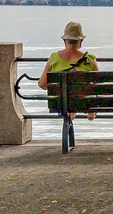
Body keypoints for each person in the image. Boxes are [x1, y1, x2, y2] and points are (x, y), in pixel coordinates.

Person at [41, 21, 98, 153]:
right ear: (81, 41)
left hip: (60, 103)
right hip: (84, 100)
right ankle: (89, 110)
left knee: (67, 96)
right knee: (87, 91)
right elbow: (97, 85)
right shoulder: (90, 58)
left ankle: (71, 109)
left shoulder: (54, 57)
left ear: (65, 41)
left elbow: (42, 84)